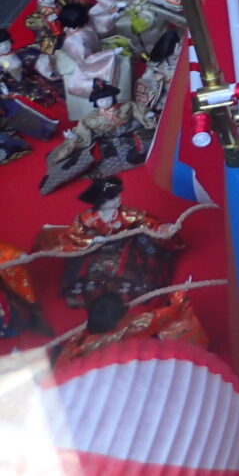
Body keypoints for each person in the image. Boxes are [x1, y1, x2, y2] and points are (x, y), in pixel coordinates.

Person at [37, 177, 183, 308]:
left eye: (117, 195)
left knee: (134, 269)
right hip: (94, 248)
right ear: (101, 202)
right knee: (83, 271)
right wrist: (92, 240)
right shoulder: (86, 218)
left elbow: (147, 222)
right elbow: (74, 234)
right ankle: (86, 294)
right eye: (112, 197)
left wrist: (164, 229)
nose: (118, 199)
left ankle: (133, 292)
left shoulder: (127, 214)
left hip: (124, 247)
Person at [40, 80, 155, 195]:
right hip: (108, 142)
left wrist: (147, 116)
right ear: (96, 103)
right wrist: (74, 136)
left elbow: (139, 111)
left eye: (108, 99)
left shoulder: (127, 106)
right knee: (90, 162)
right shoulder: (91, 118)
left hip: (131, 135)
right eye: (101, 101)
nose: (105, 103)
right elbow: (84, 132)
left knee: (151, 147)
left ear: (113, 98)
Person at [55, 290, 208, 365]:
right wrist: (178, 300)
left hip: (100, 370)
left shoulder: (78, 342)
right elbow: (162, 318)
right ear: (119, 318)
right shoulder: (132, 328)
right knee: (181, 325)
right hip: (129, 365)